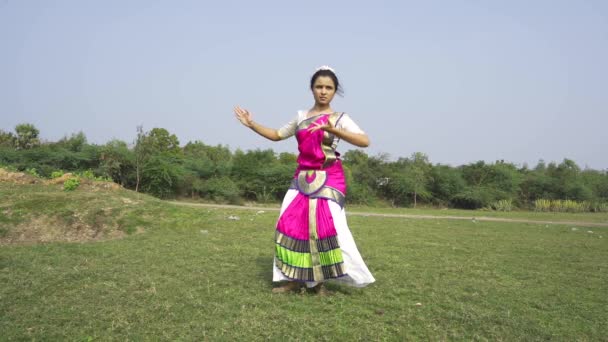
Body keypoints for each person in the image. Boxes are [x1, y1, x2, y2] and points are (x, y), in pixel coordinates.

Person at [234, 66, 375, 295]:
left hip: (329, 178)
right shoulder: (301, 117)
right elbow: (277, 135)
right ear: (311, 89)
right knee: (290, 225)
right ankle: (293, 280)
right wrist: (252, 124)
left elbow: (365, 141)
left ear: (335, 91)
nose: (323, 91)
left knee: (327, 228)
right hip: (302, 178)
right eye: (319, 86)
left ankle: (319, 282)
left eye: (328, 88)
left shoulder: (340, 119)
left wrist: (334, 130)